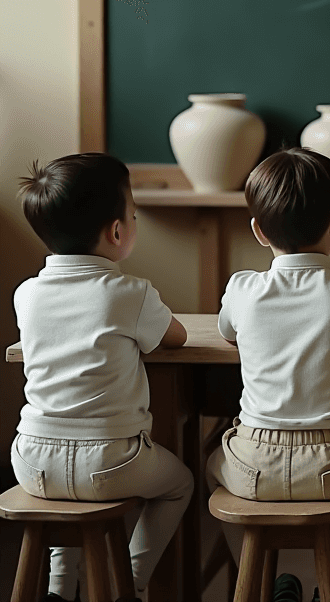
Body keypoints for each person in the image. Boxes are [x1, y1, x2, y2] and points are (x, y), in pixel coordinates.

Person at [207, 147, 330, 602]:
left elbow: (227, 332)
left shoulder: (243, 288)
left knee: (208, 472)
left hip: (252, 463)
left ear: (258, 230)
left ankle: (253, 579)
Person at [13, 152, 194, 602]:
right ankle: (126, 582)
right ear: (117, 232)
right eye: (132, 216)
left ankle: (59, 590)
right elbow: (175, 337)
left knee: (61, 501)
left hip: (32, 460)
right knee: (179, 484)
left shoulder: (26, 294)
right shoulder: (129, 293)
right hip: (111, 461)